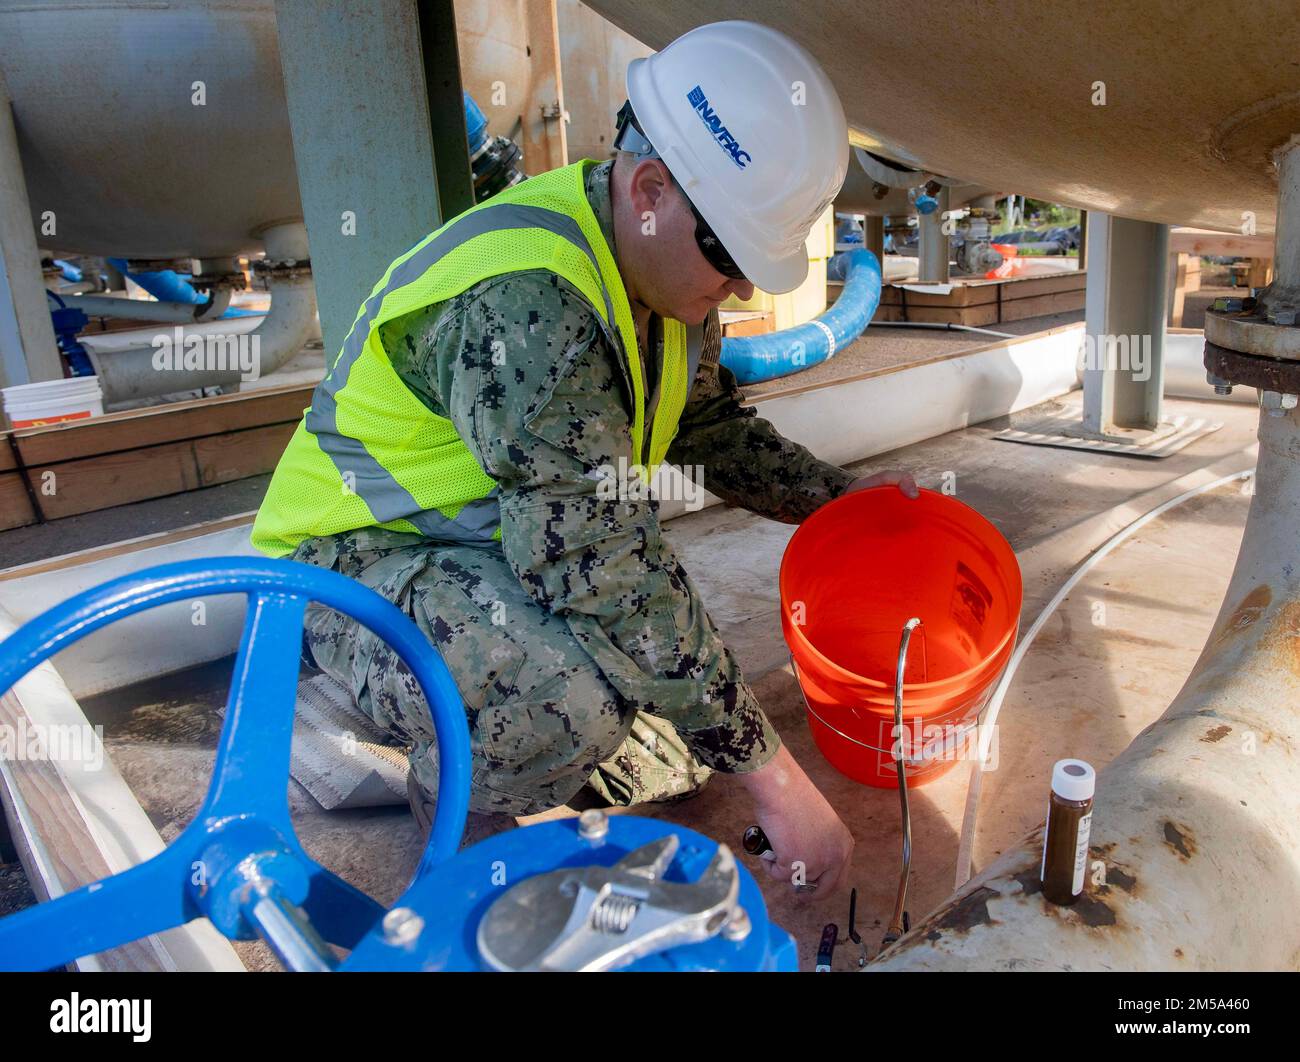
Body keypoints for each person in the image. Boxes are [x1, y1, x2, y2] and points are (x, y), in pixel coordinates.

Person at [251, 20, 916, 894]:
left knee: (676, 726)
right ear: (650, 190)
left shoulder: (657, 271)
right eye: (730, 254)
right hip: (348, 561)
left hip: (481, 544)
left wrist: (843, 504)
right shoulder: (528, 307)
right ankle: (456, 819)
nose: (744, 286)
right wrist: (778, 784)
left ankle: (503, 715)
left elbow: (706, 428)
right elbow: (600, 566)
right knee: (563, 710)